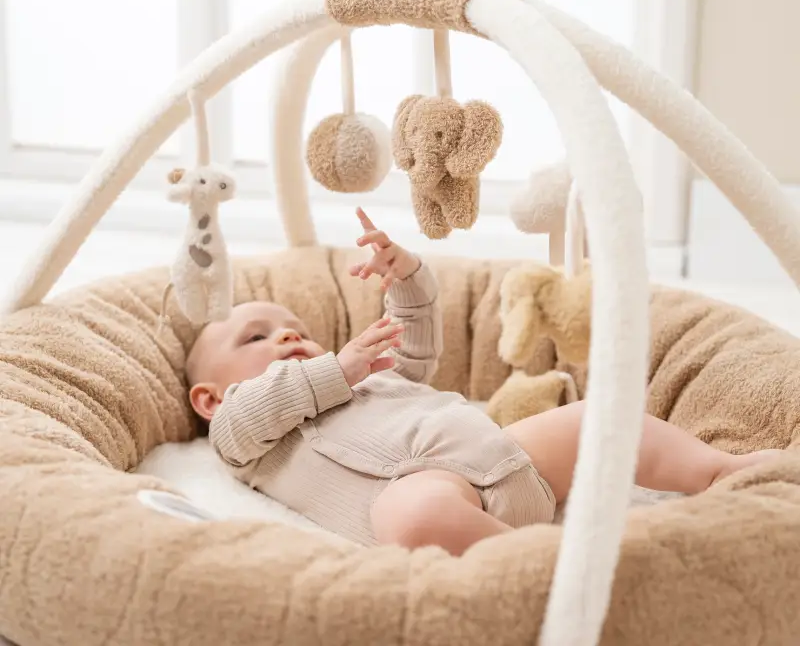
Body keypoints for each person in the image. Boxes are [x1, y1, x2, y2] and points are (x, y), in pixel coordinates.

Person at [186, 207, 780, 556]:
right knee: (409, 516)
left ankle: (718, 470)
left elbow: (414, 344)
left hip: (509, 456)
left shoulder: (365, 382)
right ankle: (544, 567)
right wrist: (334, 368)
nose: (286, 338)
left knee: (600, 419)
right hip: (433, 495)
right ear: (209, 399)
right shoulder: (241, 435)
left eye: (295, 330)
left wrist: (406, 278)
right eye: (256, 338)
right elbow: (256, 411)